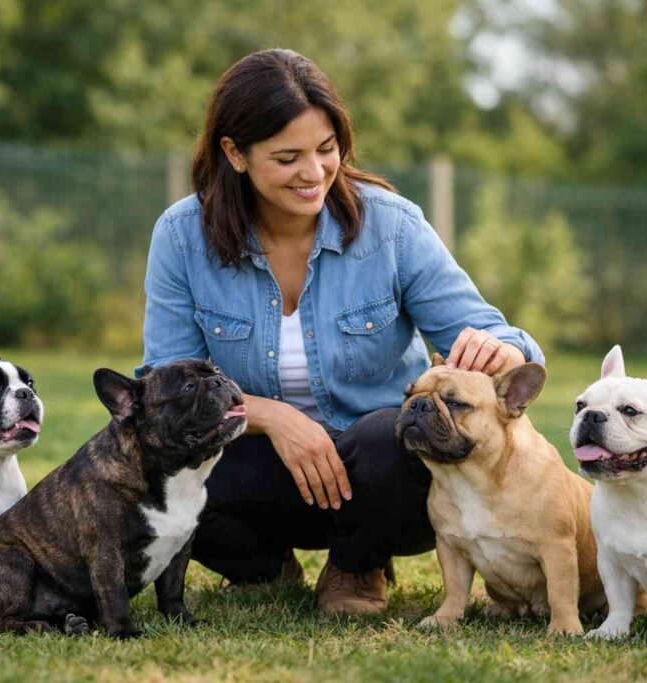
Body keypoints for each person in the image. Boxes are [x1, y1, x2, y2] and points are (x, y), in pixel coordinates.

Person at [138, 49, 544, 615]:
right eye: (287, 157)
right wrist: (273, 417)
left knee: (387, 440)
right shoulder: (183, 235)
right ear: (234, 153)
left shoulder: (392, 226)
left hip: (376, 476)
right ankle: (260, 564)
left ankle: (357, 567)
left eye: (326, 150)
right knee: (151, 455)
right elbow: (163, 385)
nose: (314, 173)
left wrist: (500, 350)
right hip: (259, 465)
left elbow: (502, 337)